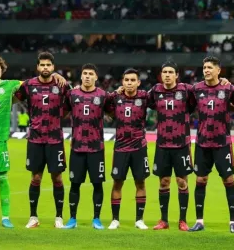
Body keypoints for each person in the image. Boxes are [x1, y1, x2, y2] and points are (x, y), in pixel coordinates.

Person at [0, 54, 65, 228]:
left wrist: (56, 75)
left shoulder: (10, 85)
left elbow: (35, 82)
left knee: (2, 178)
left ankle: (5, 218)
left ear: (2, 70)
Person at [15, 52, 69, 229]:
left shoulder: (62, 85)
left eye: (48, 65)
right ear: (37, 67)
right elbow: (12, 97)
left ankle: (59, 217)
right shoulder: (29, 85)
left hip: (55, 139)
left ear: (53, 67)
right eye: (42, 65)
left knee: (57, 178)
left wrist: (59, 118)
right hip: (35, 139)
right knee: (36, 177)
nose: (45, 67)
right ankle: (33, 217)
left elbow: (74, 103)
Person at [188, 56, 234, 233]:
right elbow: (185, 106)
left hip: (222, 143)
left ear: (219, 70)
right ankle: (199, 221)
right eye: (204, 67)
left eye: (210, 67)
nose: (206, 70)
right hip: (203, 142)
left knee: (228, 180)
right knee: (200, 180)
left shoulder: (228, 88)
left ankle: (233, 222)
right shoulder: (196, 89)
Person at [63, 63, 113, 230]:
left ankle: (96, 219)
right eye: (85, 73)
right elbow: (61, 111)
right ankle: (72, 219)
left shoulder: (103, 96)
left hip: (96, 148)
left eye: (91, 74)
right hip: (77, 148)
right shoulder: (72, 94)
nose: (87, 76)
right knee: (75, 184)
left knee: (97, 184)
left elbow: (114, 111)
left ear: (96, 77)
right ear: (81, 76)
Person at [148, 62, 194, 231]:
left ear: (177, 75)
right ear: (161, 74)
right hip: (162, 144)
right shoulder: (155, 91)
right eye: (164, 72)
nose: (167, 75)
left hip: (181, 144)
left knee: (182, 182)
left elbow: (206, 93)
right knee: (164, 182)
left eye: (171, 72)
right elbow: (138, 97)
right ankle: (164, 220)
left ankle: (183, 220)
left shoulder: (187, 90)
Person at [107, 69, 151, 230]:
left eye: (133, 80)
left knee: (140, 182)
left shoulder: (145, 97)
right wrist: (113, 95)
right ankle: (115, 219)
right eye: (127, 80)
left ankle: (139, 220)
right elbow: (99, 101)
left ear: (138, 82)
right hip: (120, 147)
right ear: (122, 82)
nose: (129, 83)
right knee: (117, 183)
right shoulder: (115, 97)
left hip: (139, 147)